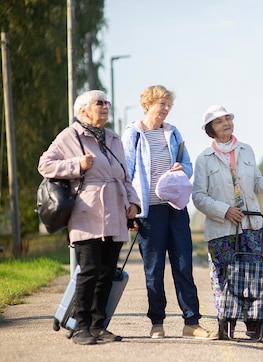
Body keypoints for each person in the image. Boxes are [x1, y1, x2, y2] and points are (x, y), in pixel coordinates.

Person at [38, 90, 141, 345]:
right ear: (83, 110)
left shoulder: (114, 138)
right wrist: (76, 165)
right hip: (87, 212)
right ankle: (81, 326)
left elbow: (124, 176)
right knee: (90, 270)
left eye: (107, 102)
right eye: (99, 103)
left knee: (107, 272)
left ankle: (98, 326)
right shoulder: (70, 135)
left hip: (116, 211)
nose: (106, 106)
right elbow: (45, 165)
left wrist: (134, 203)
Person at [192, 105, 263, 338]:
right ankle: (226, 320)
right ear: (211, 129)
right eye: (219, 121)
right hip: (221, 229)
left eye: (228, 119)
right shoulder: (204, 159)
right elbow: (198, 197)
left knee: (252, 275)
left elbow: (257, 185)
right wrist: (225, 210)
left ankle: (253, 322)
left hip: (250, 226)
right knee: (224, 277)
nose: (226, 123)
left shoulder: (246, 150)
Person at [121, 85, 215, 340]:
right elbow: (126, 171)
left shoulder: (173, 133)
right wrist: (130, 210)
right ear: (147, 105)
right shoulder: (134, 134)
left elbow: (187, 163)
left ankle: (192, 322)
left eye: (168, 105)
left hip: (176, 207)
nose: (165, 109)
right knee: (154, 269)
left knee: (184, 264)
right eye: (160, 104)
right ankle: (157, 322)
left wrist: (180, 168)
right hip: (149, 211)